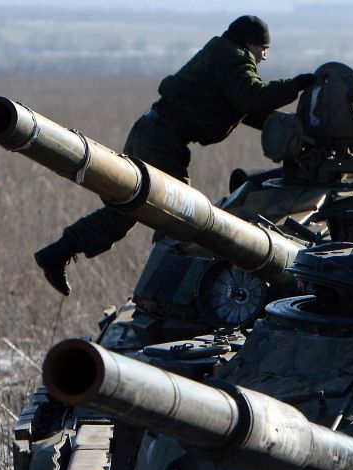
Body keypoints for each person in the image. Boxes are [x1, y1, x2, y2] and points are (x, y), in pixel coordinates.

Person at [34, 15, 313, 295]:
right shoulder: (233, 58)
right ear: (250, 44)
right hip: (161, 139)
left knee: (133, 208)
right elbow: (252, 97)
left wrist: (288, 129)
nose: (264, 56)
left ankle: (58, 252)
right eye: (263, 49)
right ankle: (170, 291)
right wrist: (297, 85)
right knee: (181, 216)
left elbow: (247, 108)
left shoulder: (221, 55)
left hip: (153, 131)